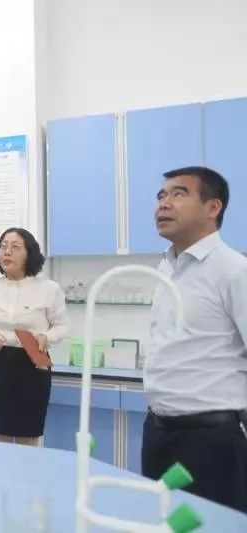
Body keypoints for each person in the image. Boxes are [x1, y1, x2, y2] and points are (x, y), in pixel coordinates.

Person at [143, 166, 247, 512]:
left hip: (210, 441)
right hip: (157, 431)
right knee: (159, 522)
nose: (163, 203)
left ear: (213, 207)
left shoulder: (234, 270)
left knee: (212, 525)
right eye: (161, 195)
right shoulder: (166, 268)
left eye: (179, 193)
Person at [0, 227, 69, 446]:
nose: (7, 252)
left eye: (15, 247)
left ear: (29, 254)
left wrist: (46, 337)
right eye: (3, 246)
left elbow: (62, 326)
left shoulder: (49, 289)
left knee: (29, 435)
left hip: (34, 364)